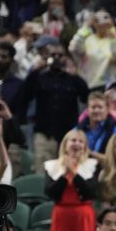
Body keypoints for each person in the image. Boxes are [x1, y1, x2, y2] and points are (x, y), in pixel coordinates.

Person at [17, 39, 89, 173]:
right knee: (42, 171)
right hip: (44, 134)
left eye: (60, 55)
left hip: (67, 135)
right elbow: (25, 95)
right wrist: (35, 70)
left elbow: (86, 96)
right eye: (52, 55)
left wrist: (76, 74)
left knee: (67, 172)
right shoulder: (39, 76)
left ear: (65, 58)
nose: (56, 58)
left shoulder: (72, 79)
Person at [44, 129, 98, 231]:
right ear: (65, 145)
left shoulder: (92, 165)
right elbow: (49, 192)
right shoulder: (52, 166)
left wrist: (74, 172)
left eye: (81, 141)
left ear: (85, 147)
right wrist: (65, 174)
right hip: (61, 216)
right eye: (73, 140)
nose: (77, 144)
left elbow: (91, 192)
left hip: (84, 216)